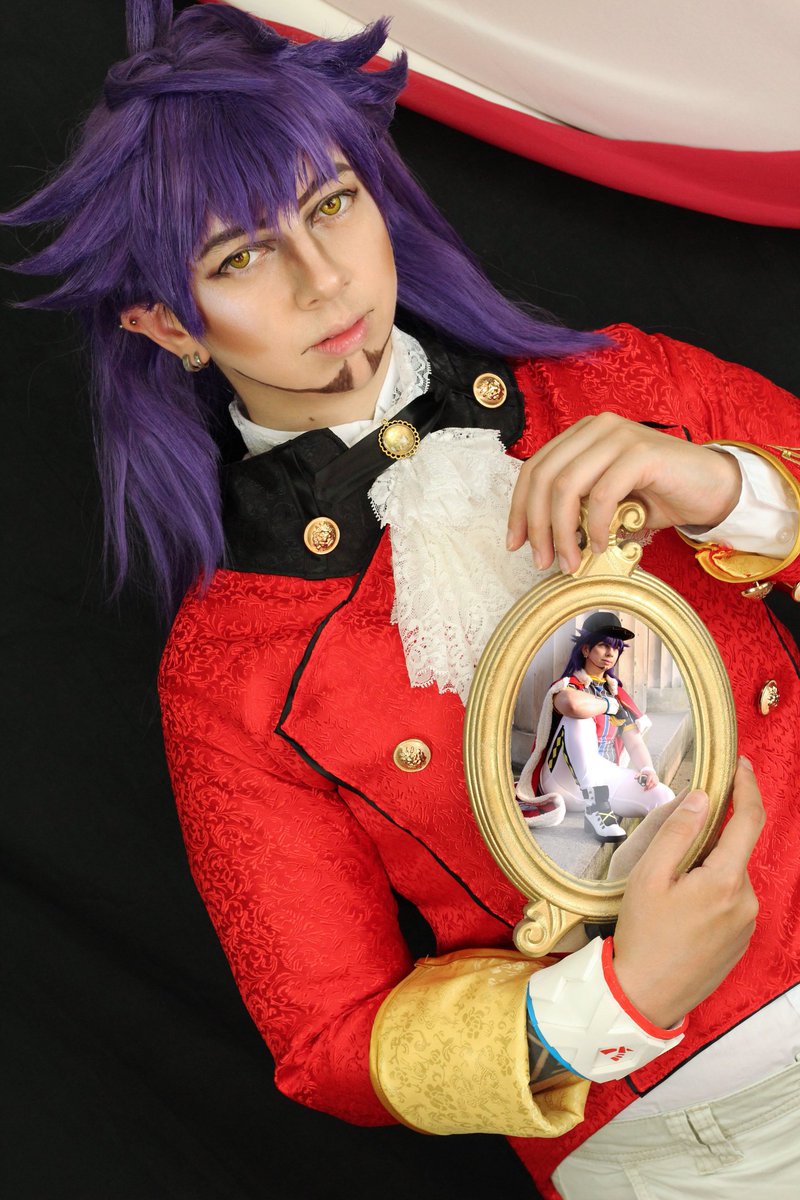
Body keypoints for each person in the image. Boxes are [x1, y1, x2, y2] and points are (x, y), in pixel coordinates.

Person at [3, 4, 800, 1198]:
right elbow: (328, 1038)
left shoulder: (613, 384)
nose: (322, 279)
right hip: (693, 1143)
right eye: (239, 257)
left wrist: (727, 488)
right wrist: (612, 1001)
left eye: (330, 203)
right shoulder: (233, 668)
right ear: (166, 323)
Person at [516, 612, 674, 843]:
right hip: (563, 782)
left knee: (663, 796)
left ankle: (643, 857)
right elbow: (572, 705)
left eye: (616, 648)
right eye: (603, 645)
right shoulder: (569, 686)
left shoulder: (616, 693)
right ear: (586, 649)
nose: (610, 653)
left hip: (604, 775)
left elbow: (633, 741)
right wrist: (608, 705)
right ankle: (597, 808)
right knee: (579, 718)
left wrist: (647, 769)